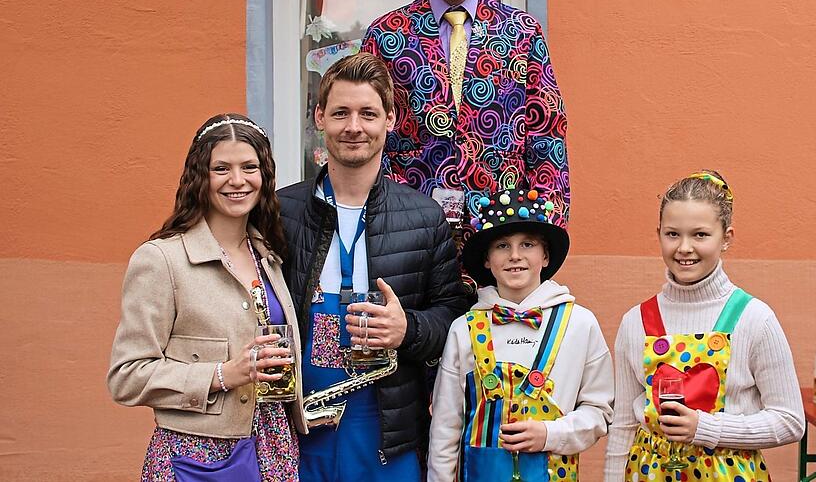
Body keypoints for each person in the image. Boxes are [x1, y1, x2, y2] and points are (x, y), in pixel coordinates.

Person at [277, 52, 469, 481]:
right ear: (319, 116)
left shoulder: (423, 217)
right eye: (341, 112)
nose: (354, 127)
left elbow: (454, 320)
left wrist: (409, 330)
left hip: (388, 432)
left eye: (368, 113)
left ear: (390, 120)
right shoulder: (279, 212)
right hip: (298, 431)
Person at [107, 114, 305, 481]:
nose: (237, 180)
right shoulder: (161, 259)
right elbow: (127, 376)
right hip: (197, 458)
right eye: (221, 168)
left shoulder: (269, 254)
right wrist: (222, 374)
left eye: (250, 167)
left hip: (276, 450)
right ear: (200, 176)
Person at [603, 171, 805, 481]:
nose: (684, 247)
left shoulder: (755, 318)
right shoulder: (635, 322)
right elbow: (624, 426)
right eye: (673, 234)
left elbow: (790, 421)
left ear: (727, 238)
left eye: (700, 235)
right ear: (658, 234)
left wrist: (706, 428)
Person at [362, 0, 571, 241]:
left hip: (503, 238)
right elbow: (370, 138)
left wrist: (545, 232)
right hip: (411, 237)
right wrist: (387, 219)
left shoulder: (523, 32)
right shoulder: (385, 35)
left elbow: (548, 138)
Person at [428, 187, 613, 481]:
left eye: (527, 244)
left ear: (545, 256)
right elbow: (445, 426)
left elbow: (599, 412)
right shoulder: (464, 329)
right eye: (502, 246)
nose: (515, 256)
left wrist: (550, 434)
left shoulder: (580, 324)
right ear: (487, 259)